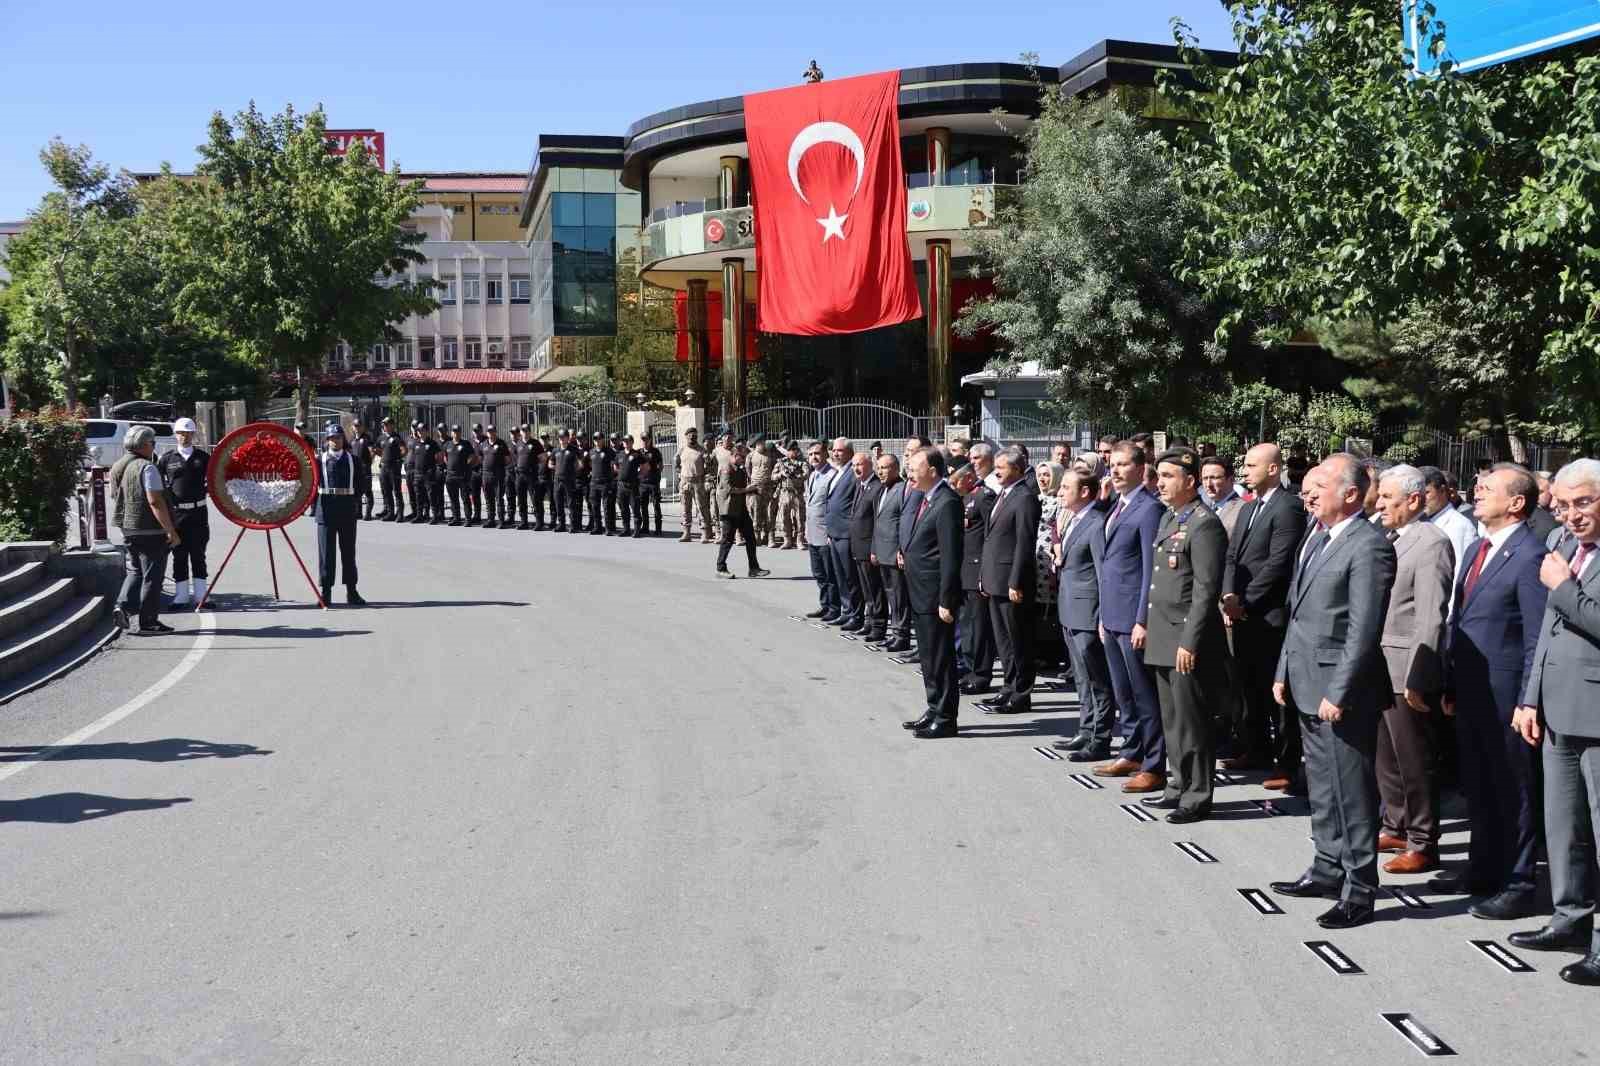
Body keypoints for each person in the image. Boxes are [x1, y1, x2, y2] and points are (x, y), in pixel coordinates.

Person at [1269, 455, 1396, 930]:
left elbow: (1363, 629)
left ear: (1350, 492)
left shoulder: (1369, 545)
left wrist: (1340, 691)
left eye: (1319, 484)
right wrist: (1283, 669)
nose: (1308, 492)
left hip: (1341, 691)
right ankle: (1326, 866)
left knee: (1352, 792)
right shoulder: (1317, 537)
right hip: (1304, 680)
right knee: (1322, 787)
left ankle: (1360, 887)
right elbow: (1298, 614)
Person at [1442, 462, 1550, 919]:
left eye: (1488, 489)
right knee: (1479, 783)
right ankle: (1484, 867)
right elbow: (1462, 620)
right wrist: (1449, 681)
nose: (1476, 492)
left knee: (1514, 789)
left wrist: (1529, 700)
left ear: (1517, 502)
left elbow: (1534, 638)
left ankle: (1519, 880)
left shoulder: (1529, 555)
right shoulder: (1479, 548)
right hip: (1470, 689)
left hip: (1507, 695)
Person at [1511, 459, 1600, 985]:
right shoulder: (1565, 546)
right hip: (1557, 710)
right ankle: (1569, 918)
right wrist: (1530, 697)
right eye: (1563, 505)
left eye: (1583, 502)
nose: (1570, 515)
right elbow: (1548, 629)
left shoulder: (1564, 565)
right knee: (1563, 827)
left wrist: (1564, 586)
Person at [1373, 464, 1455, 875]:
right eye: (1380, 496)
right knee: (1386, 758)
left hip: (1407, 667)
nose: (1380, 503)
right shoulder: (1387, 537)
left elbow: (1430, 616)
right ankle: (1396, 823)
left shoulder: (1431, 543)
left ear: (1415, 500)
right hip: (1379, 666)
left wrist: (1421, 676)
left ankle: (1423, 840)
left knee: (1414, 759)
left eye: (1389, 497)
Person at [1142, 447, 1229, 823]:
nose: (1160, 483)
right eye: (1158, 476)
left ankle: (1197, 795)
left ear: (1190, 481)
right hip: (1163, 633)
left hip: (1185, 639)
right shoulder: (1170, 518)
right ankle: (1177, 783)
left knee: (1192, 721)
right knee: (1172, 718)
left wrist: (1189, 642)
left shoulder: (1203, 524)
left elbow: (1206, 591)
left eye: (1168, 476)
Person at [1222, 444, 1308, 785]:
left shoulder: (1287, 507)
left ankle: (1286, 764)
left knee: (1278, 695)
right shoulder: (1248, 508)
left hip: (1269, 615)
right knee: (1248, 688)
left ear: (1273, 469)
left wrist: (1245, 600)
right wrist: (1229, 595)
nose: (1245, 470)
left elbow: (1278, 563)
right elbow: (1232, 556)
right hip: (1241, 612)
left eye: (1251, 465)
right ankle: (1255, 748)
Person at [1093, 442, 1167, 793]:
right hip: (1112, 617)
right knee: (1124, 693)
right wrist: (1103, 616)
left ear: (1141, 469)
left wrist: (1143, 620)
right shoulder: (1117, 507)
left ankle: (1154, 764)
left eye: (1123, 465)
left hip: (1133, 619)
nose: (1116, 471)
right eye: (1113, 465)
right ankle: (1132, 751)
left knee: (1144, 695)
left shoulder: (1148, 508)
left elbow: (1150, 571)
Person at [899, 446, 964, 739]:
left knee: (941, 657)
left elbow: (950, 557)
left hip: (936, 596)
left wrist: (946, 601)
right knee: (928, 656)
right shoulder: (925, 497)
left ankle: (947, 717)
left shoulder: (947, 501)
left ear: (933, 471)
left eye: (915, 467)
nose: (910, 471)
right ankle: (934, 706)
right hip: (919, 592)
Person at [1052, 468, 1115, 761]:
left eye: (1066, 487)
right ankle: (1086, 728)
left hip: (1088, 612)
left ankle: (1100, 738)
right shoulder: (1075, 520)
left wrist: (1103, 615)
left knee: (1096, 678)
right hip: (1069, 608)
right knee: (1080, 677)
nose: (1060, 491)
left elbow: (1103, 574)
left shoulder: (1095, 523)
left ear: (1085, 492)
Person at [979, 446, 1041, 716]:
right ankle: (1008, 686)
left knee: (1019, 639)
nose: (996, 472)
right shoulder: (1004, 495)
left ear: (1016, 469)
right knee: (1003, 640)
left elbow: (1024, 543)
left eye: (1001, 468)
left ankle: (1022, 692)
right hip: (995, 578)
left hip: (1012, 581)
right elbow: (992, 540)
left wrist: (1016, 581)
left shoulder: (1025, 497)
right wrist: (984, 576)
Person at [110, 425, 181, 634]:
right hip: (150, 529)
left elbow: (116, 496)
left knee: (135, 571)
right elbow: (155, 501)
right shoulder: (147, 467)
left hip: (129, 528)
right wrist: (170, 530)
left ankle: (121, 606)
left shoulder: (119, 465)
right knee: (153, 575)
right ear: (144, 444)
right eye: (152, 443)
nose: (154, 447)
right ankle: (148, 622)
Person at [157, 417, 211, 609]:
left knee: (199, 554)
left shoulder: (204, 458)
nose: (184, 436)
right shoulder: (166, 459)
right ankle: (181, 596)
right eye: (181, 432)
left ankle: (200, 595)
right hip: (177, 514)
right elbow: (157, 485)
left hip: (198, 512)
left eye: (188, 433)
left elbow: (214, 480)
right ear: (175, 434)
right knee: (179, 554)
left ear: (193, 434)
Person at [311, 422, 365, 606]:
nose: (336, 441)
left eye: (339, 437)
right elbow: (311, 484)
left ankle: (352, 591)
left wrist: (353, 501)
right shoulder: (319, 461)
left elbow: (361, 484)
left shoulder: (353, 459)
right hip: (326, 509)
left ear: (344, 439)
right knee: (326, 554)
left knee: (348, 552)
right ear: (327, 440)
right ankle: (325, 593)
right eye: (332, 438)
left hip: (347, 508)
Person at [956, 463, 997, 694]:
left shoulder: (984, 497)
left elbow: (989, 536)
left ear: (969, 477)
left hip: (977, 569)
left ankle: (981, 674)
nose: (955, 485)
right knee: (969, 625)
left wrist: (984, 572)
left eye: (958, 480)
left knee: (980, 626)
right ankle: (971, 670)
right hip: (965, 570)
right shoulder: (966, 497)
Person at [870, 453, 910, 650]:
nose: (880, 471)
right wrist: (874, 549)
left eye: (884, 468)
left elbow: (904, 523)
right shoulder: (882, 490)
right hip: (882, 551)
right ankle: (895, 631)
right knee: (890, 595)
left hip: (895, 553)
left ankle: (902, 635)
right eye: (879, 467)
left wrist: (901, 550)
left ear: (895, 468)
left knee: (900, 596)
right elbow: (878, 522)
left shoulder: (902, 489)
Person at [714, 442, 770, 579]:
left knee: (750, 537)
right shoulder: (726, 469)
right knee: (727, 540)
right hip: (729, 510)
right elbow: (728, 489)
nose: (744, 460)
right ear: (734, 455)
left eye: (745, 457)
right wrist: (748, 489)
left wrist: (754, 490)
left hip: (740, 509)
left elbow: (743, 488)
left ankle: (754, 568)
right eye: (742, 457)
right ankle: (720, 568)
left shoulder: (740, 469)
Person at [844, 451, 885, 636]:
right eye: (853, 465)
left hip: (869, 547)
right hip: (857, 546)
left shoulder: (876, 487)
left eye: (859, 464)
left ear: (870, 465)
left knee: (875, 588)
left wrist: (875, 548)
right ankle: (869, 621)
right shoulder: (860, 485)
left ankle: (878, 625)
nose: (855, 468)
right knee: (866, 589)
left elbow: (877, 521)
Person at [823, 438, 861, 628]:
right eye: (834, 450)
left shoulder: (853, 472)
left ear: (849, 452)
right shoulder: (837, 472)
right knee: (840, 576)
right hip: (834, 532)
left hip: (846, 533)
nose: (835, 453)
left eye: (840, 451)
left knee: (850, 577)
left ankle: (856, 614)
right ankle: (846, 611)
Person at [1420, 466, 1476, 580]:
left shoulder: (1459, 526)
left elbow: (1460, 574)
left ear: (1442, 490)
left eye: (1426, 492)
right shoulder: (1422, 521)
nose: (1421, 499)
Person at [678, 428, 712, 543]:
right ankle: (686, 532)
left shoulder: (702, 450)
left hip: (698, 482)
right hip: (684, 482)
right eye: (690, 436)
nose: (692, 438)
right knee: (685, 508)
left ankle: (704, 533)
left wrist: (706, 480)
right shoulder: (682, 450)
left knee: (701, 508)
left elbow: (708, 467)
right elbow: (676, 462)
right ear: (686, 436)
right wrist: (680, 475)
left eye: (694, 436)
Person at [774, 441, 809, 549]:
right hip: (785, 493)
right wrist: (781, 474)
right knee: (785, 517)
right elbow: (773, 476)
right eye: (790, 450)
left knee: (800, 518)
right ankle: (787, 539)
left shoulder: (802, 462)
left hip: (797, 493)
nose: (793, 452)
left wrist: (796, 475)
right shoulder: (781, 462)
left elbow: (807, 474)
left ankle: (799, 540)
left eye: (795, 450)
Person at [1201, 456, 1245, 534]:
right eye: (1205, 478)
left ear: (1231, 479)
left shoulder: (1243, 509)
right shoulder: (1203, 507)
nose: (1208, 484)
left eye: (1214, 478)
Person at [443, 425, 477, 527]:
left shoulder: (466, 444)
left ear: (460, 432)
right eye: (454, 431)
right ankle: (456, 518)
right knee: (453, 499)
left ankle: (468, 519)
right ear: (452, 433)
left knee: (465, 498)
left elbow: (472, 456)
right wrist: (449, 466)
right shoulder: (448, 444)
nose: (456, 433)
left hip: (462, 476)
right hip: (450, 476)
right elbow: (445, 457)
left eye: (458, 431)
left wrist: (466, 465)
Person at [747, 434, 777, 545]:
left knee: (769, 512)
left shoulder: (770, 455)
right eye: (759, 443)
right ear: (756, 444)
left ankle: (769, 537)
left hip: (768, 486)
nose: (762, 444)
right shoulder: (750, 456)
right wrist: (753, 480)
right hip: (755, 487)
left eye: (763, 442)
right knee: (755, 511)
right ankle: (756, 535)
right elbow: (748, 469)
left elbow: (774, 467)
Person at [378, 417, 406, 521]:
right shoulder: (381, 437)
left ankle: (400, 514)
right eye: (384, 424)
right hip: (384, 467)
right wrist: (382, 457)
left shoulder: (396, 437)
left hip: (394, 468)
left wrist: (397, 459)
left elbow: (404, 450)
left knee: (397, 491)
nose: (385, 426)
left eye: (387, 424)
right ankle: (390, 513)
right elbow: (376, 449)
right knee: (387, 491)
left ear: (392, 425)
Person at [588, 432, 616, 535]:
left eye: (599, 438)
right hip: (594, 483)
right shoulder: (591, 452)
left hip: (605, 483)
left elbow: (614, 466)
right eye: (595, 438)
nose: (597, 440)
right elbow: (591, 464)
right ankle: (597, 527)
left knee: (606, 507)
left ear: (603, 439)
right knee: (594, 506)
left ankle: (608, 528)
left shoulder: (609, 451)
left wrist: (610, 478)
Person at [553, 429, 580, 533]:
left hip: (569, 480)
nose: (561, 439)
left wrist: (572, 471)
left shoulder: (573, 449)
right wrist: (558, 468)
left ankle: (573, 525)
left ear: (567, 438)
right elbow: (550, 463)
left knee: (571, 503)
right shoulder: (556, 450)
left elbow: (580, 463)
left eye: (563, 437)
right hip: (557, 480)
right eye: (560, 437)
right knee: (558, 503)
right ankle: (561, 524)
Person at [638, 431, 663, 536]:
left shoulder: (656, 452)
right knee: (643, 506)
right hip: (642, 483)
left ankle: (658, 529)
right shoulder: (639, 452)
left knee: (656, 505)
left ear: (650, 440)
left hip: (653, 483)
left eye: (646, 439)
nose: (644, 441)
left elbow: (661, 466)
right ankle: (645, 527)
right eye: (643, 439)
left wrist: (655, 474)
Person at [405, 423, 431, 524]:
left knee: (423, 492)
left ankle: (426, 512)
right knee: (412, 492)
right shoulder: (409, 439)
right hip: (410, 468)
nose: (415, 429)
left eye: (417, 427)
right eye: (413, 426)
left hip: (420, 470)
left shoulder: (420, 440)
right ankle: (415, 512)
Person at [349, 421, 375, 521]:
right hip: (355, 470)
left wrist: (369, 463)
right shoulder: (352, 440)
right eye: (355, 426)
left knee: (368, 491)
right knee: (357, 492)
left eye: (359, 426)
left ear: (362, 427)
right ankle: (358, 512)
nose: (357, 428)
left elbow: (371, 451)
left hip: (365, 469)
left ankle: (368, 513)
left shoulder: (366, 438)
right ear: (353, 427)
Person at [617, 433, 642, 536]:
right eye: (624, 441)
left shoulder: (636, 454)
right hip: (621, 486)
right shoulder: (620, 454)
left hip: (632, 486)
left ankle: (636, 530)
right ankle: (626, 529)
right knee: (623, 509)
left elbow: (646, 467)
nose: (625, 443)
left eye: (628, 441)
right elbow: (615, 466)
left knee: (635, 508)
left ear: (632, 442)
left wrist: (638, 476)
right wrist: (621, 474)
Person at [428, 424, 447, 523]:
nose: (441, 431)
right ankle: (440, 513)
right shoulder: (435, 442)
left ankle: (456, 515)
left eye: (442, 429)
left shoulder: (450, 441)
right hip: (438, 470)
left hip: (448, 470)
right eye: (439, 430)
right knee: (438, 493)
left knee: (453, 494)